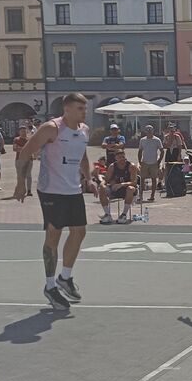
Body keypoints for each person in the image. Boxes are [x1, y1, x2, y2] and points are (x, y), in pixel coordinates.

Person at [13, 93, 95, 310]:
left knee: (79, 232)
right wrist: (21, 183)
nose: (83, 112)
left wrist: (89, 179)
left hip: (73, 190)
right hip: (51, 191)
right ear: (66, 109)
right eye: (79, 108)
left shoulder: (84, 130)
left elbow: (83, 157)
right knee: (54, 235)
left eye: (84, 109)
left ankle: (65, 278)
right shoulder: (52, 128)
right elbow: (25, 152)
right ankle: (50, 286)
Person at [98, 150, 138, 224]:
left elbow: (134, 182)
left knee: (130, 189)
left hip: (128, 189)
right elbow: (106, 179)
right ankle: (107, 215)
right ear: (116, 158)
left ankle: (123, 215)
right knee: (102, 188)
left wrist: (122, 184)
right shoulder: (112, 166)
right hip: (115, 189)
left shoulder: (131, 166)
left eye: (123, 157)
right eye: (119, 157)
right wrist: (102, 184)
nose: (122, 159)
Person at [138, 125, 163, 203]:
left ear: (153, 131)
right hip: (145, 162)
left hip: (154, 162)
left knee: (154, 179)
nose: (149, 132)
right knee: (142, 179)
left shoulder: (157, 140)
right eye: (147, 131)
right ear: (145, 131)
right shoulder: (142, 140)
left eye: (150, 130)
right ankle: (141, 196)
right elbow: (140, 151)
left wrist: (159, 161)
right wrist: (139, 161)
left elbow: (162, 150)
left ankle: (152, 196)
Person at [13, 126, 33, 196]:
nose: (23, 133)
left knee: (28, 175)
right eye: (22, 131)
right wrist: (25, 149)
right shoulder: (16, 139)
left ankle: (29, 190)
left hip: (29, 159)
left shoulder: (30, 139)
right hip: (19, 159)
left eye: (24, 131)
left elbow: (32, 149)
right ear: (19, 132)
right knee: (20, 176)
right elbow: (15, 149)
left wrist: (21, 148)